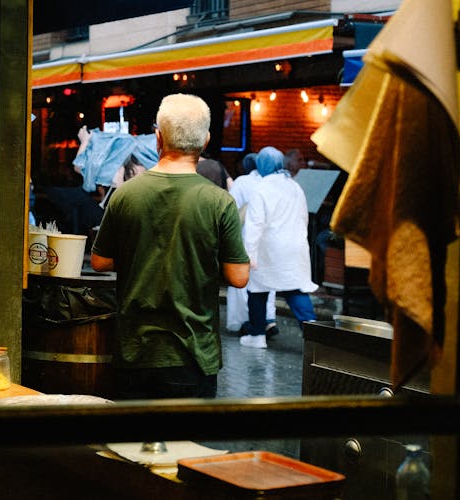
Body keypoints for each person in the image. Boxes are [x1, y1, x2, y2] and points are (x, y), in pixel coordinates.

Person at [90, 93, 250, 399]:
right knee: (187, 446)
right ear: (205, 141)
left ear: (158, 138)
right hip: (193, 356)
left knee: (130, 446)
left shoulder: (126, 195)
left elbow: (99, 261)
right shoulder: (219, 202)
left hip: (134, 352)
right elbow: (239, 277)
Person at [241, 146, 318, 349]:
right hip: (295, 247)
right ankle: (315, 339)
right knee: (296, 289)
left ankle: (257, 335)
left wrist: (250, 254)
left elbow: (254, 225)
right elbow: (304, 218)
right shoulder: (294, 186)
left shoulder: (262, 188)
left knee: (257, 290)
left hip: (269, 249)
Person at [225, 152, 278, 338]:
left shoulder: (242, 182)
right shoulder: (276, 183)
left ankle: (244, 322)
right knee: (267, 283)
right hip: (271, 239)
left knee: (243, 282)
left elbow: (230, 209)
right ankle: (268, 320)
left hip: (245, 237)